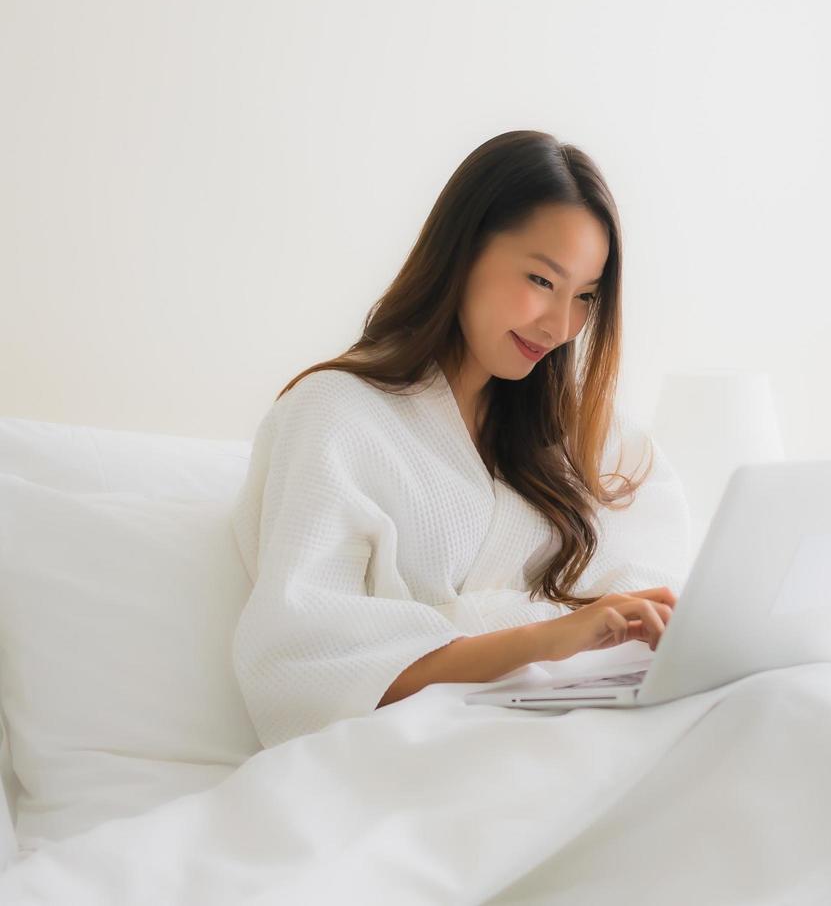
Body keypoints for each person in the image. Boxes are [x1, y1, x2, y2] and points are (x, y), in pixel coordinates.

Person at [230, 130, 692, 749]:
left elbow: (651, 594)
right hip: (414, 750)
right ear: (464, 250)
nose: (561, 325)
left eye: (585, 297)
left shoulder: (590, 436)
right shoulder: (334, 416)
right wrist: (549, 637)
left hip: (579, 734)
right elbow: (302, 669)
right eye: (540, 280)